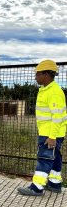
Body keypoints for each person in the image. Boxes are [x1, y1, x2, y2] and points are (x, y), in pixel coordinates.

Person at [18, 60, 67, 196]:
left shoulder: (54, 92)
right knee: (54, 157)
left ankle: (36, 188)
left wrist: (52, 137)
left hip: (50, 134)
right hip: (52, 132)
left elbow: (57, 117)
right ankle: (55, 184)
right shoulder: (48, 90)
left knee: (44, 158)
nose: (35, 77)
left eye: (38, 74)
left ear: (46, 74)